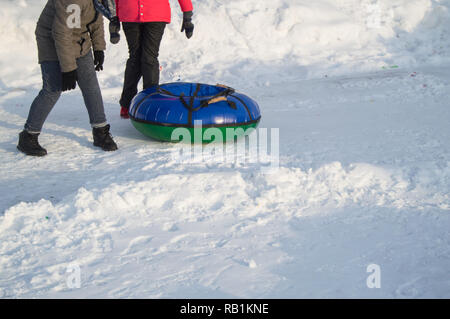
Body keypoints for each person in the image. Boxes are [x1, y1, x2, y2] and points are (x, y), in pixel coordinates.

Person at [17, 0, 118, 157]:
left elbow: (96, 20)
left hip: (78, 38)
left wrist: (99, 48)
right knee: (53, 89)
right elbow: (62, 33)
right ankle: (28, 136)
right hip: (51, 39)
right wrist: (69, 69)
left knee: (90, 83)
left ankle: (100, 132)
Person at [115, 0, 194, 119]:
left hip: (155, 13)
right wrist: (114, 16)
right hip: (130, 13)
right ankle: (127, 103)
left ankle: (149, 103)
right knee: (134, 58)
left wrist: (187, 13)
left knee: (149, 58)